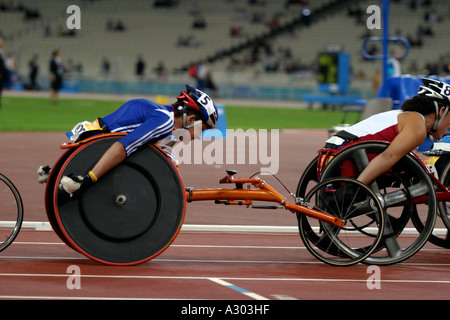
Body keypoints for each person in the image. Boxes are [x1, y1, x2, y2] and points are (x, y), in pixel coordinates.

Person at [39, 84, 218, 196]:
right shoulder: (165, 121)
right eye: (202, 130)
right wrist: (89, 179)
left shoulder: (160, 113)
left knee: (166, 157)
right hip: (97, 147)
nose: (199, 137)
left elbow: (146, 148)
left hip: (90, 138)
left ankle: (56, 172)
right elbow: (123, 147)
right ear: (191, 120)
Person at [324, 78, 450, 185]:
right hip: (344, 156)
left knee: (409, 165)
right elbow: (387, 156)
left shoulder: (407, 116)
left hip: (333, 152)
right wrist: (358, 185)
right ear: (441, 111)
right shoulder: (417, 125)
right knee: (405, 164)